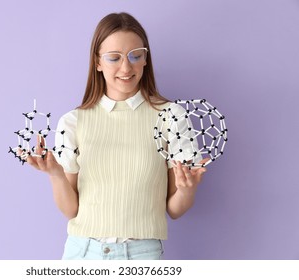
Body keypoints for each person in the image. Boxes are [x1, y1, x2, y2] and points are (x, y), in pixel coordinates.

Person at [25, 12, 207, 260]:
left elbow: (174, 210)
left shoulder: (170, 116)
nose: (126, 67)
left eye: (135, 56)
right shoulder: (73, 121)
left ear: (145, 59)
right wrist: (55, 173)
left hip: (142, 256)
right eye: (114, 58)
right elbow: (71, 210)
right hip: (82, 254)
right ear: (97, 62)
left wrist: (188, 190)